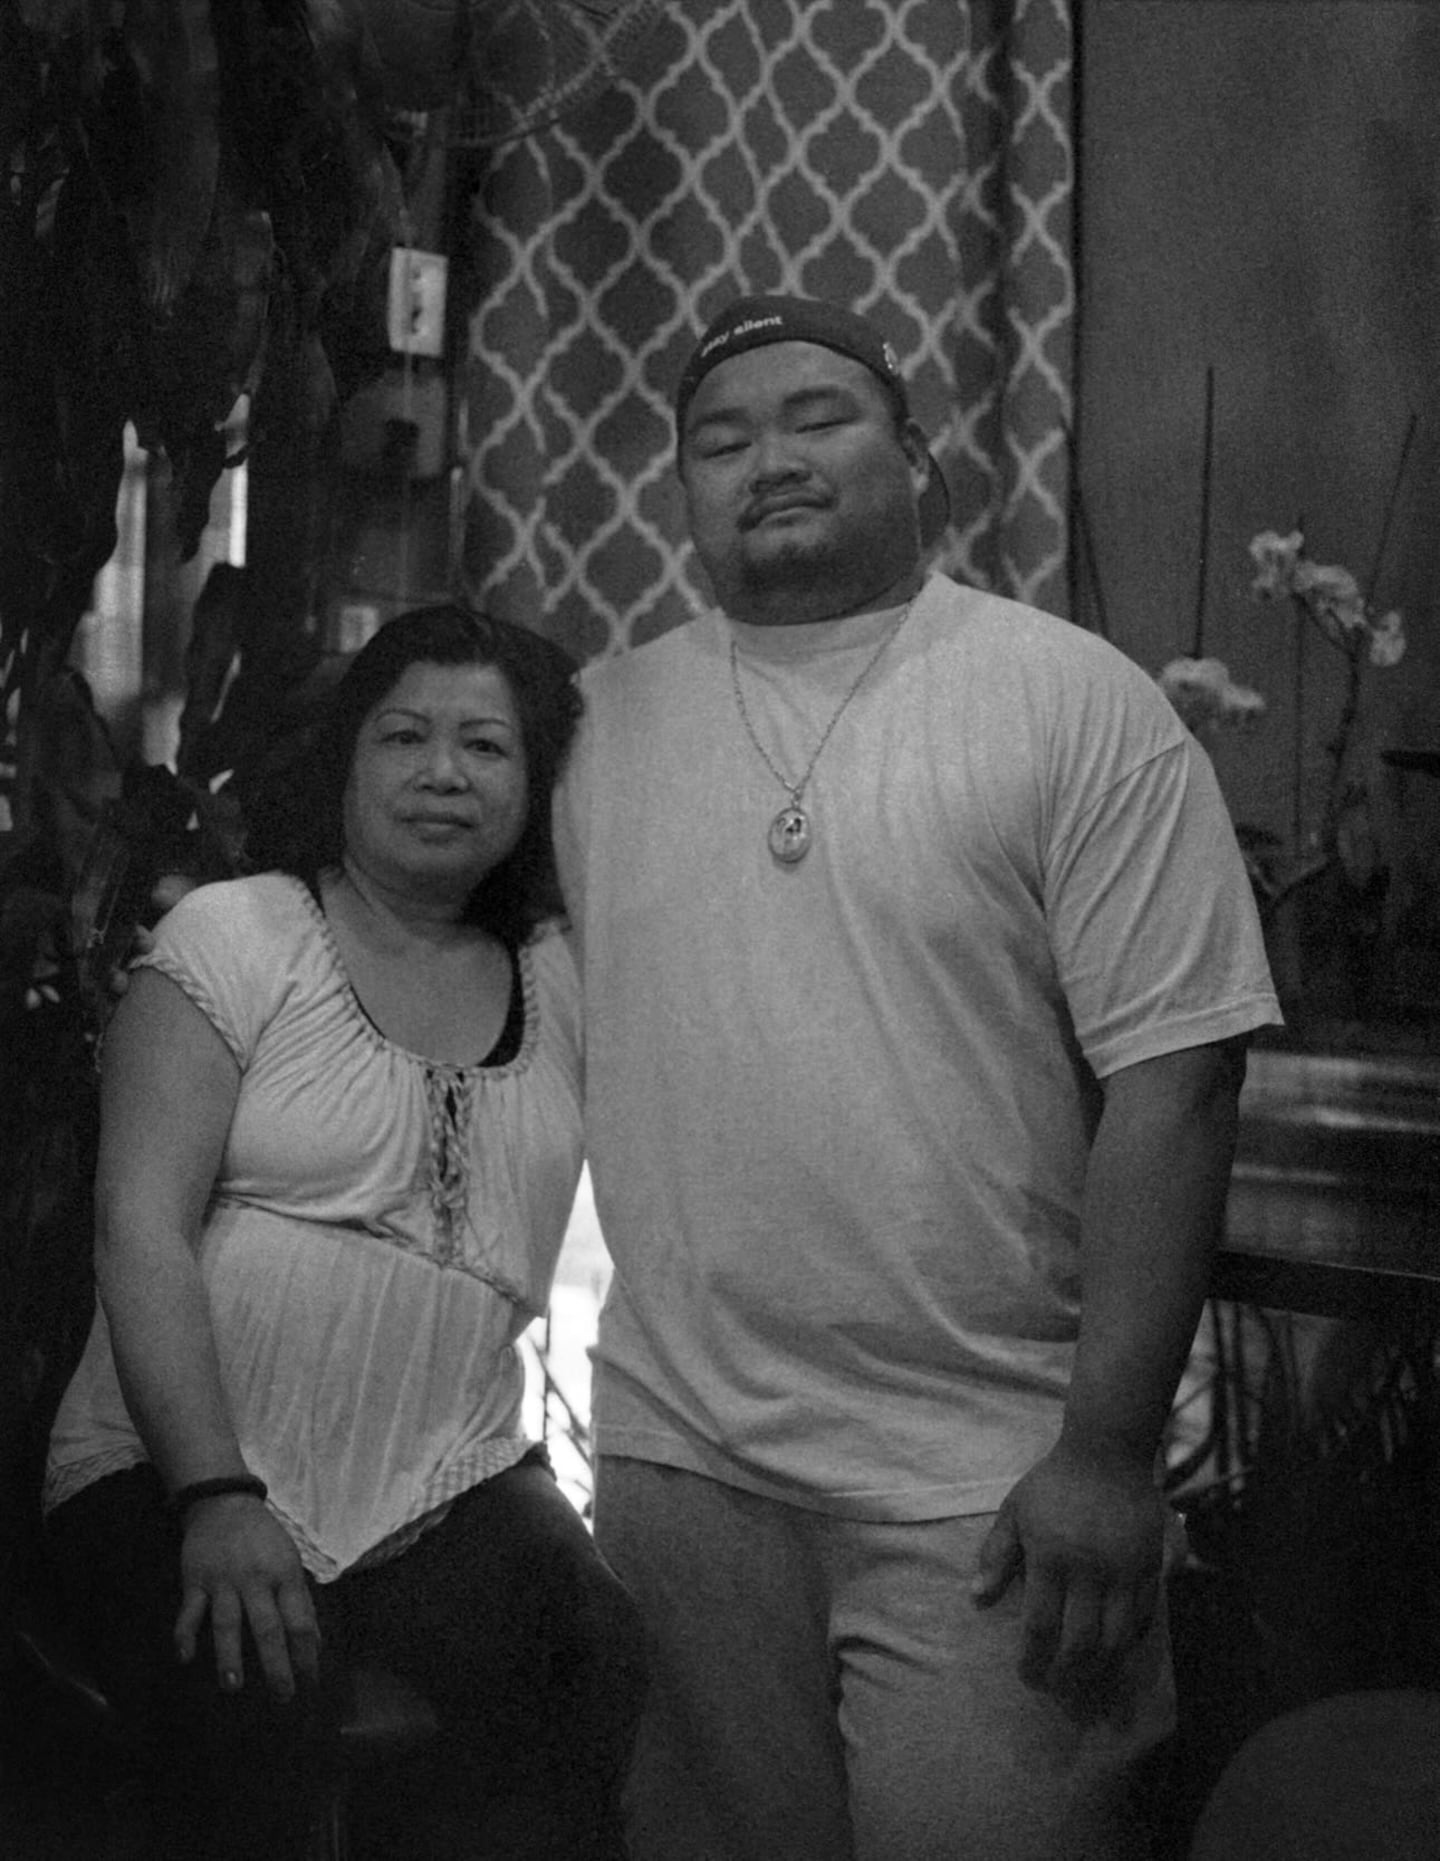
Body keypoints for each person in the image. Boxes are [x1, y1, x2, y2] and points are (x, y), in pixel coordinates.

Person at [552, 295, 1283, 1860]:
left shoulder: (1073, 703)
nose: (771, 459)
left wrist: (1103, 1448)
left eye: (819, 417)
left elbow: (1181, 1075)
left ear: (920, 458)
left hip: (988, 1478)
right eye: (721, 439)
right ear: (681, 491)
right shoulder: (598, 725)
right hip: (683, 1458)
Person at [43, 605, 646, 1860]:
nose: (442, 772)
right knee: (255, 1698)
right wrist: (216, 1494)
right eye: (405, 736)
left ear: (534, 786)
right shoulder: (241, 932)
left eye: (485, 746)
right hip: (174, 1469)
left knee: (591, 1649)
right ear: (346, 760)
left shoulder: (569, 979)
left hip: (447, 1474)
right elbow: (136, 1228)